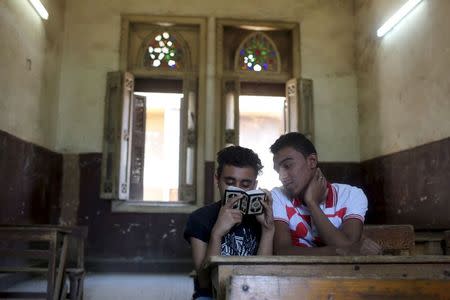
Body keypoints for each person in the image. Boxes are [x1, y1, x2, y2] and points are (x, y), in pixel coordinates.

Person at [184, 146, 274, 299]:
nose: (237, 192)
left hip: (252, 294)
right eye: (230, 183)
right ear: (217, 179)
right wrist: (217, 233)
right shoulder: (199, 218)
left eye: (245, 185)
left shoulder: (261, 218)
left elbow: (262, 276)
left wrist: (268, 230)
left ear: (254, 185)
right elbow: (205, 282)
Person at [270, 132, 381, 255]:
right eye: (277, 170)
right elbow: (282, 251)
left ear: (312, 161)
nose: (281, 176)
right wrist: (336, 251)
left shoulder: (351, 195)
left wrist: (312, 204)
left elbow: (349, 246)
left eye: (287, 166)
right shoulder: (278, 196)